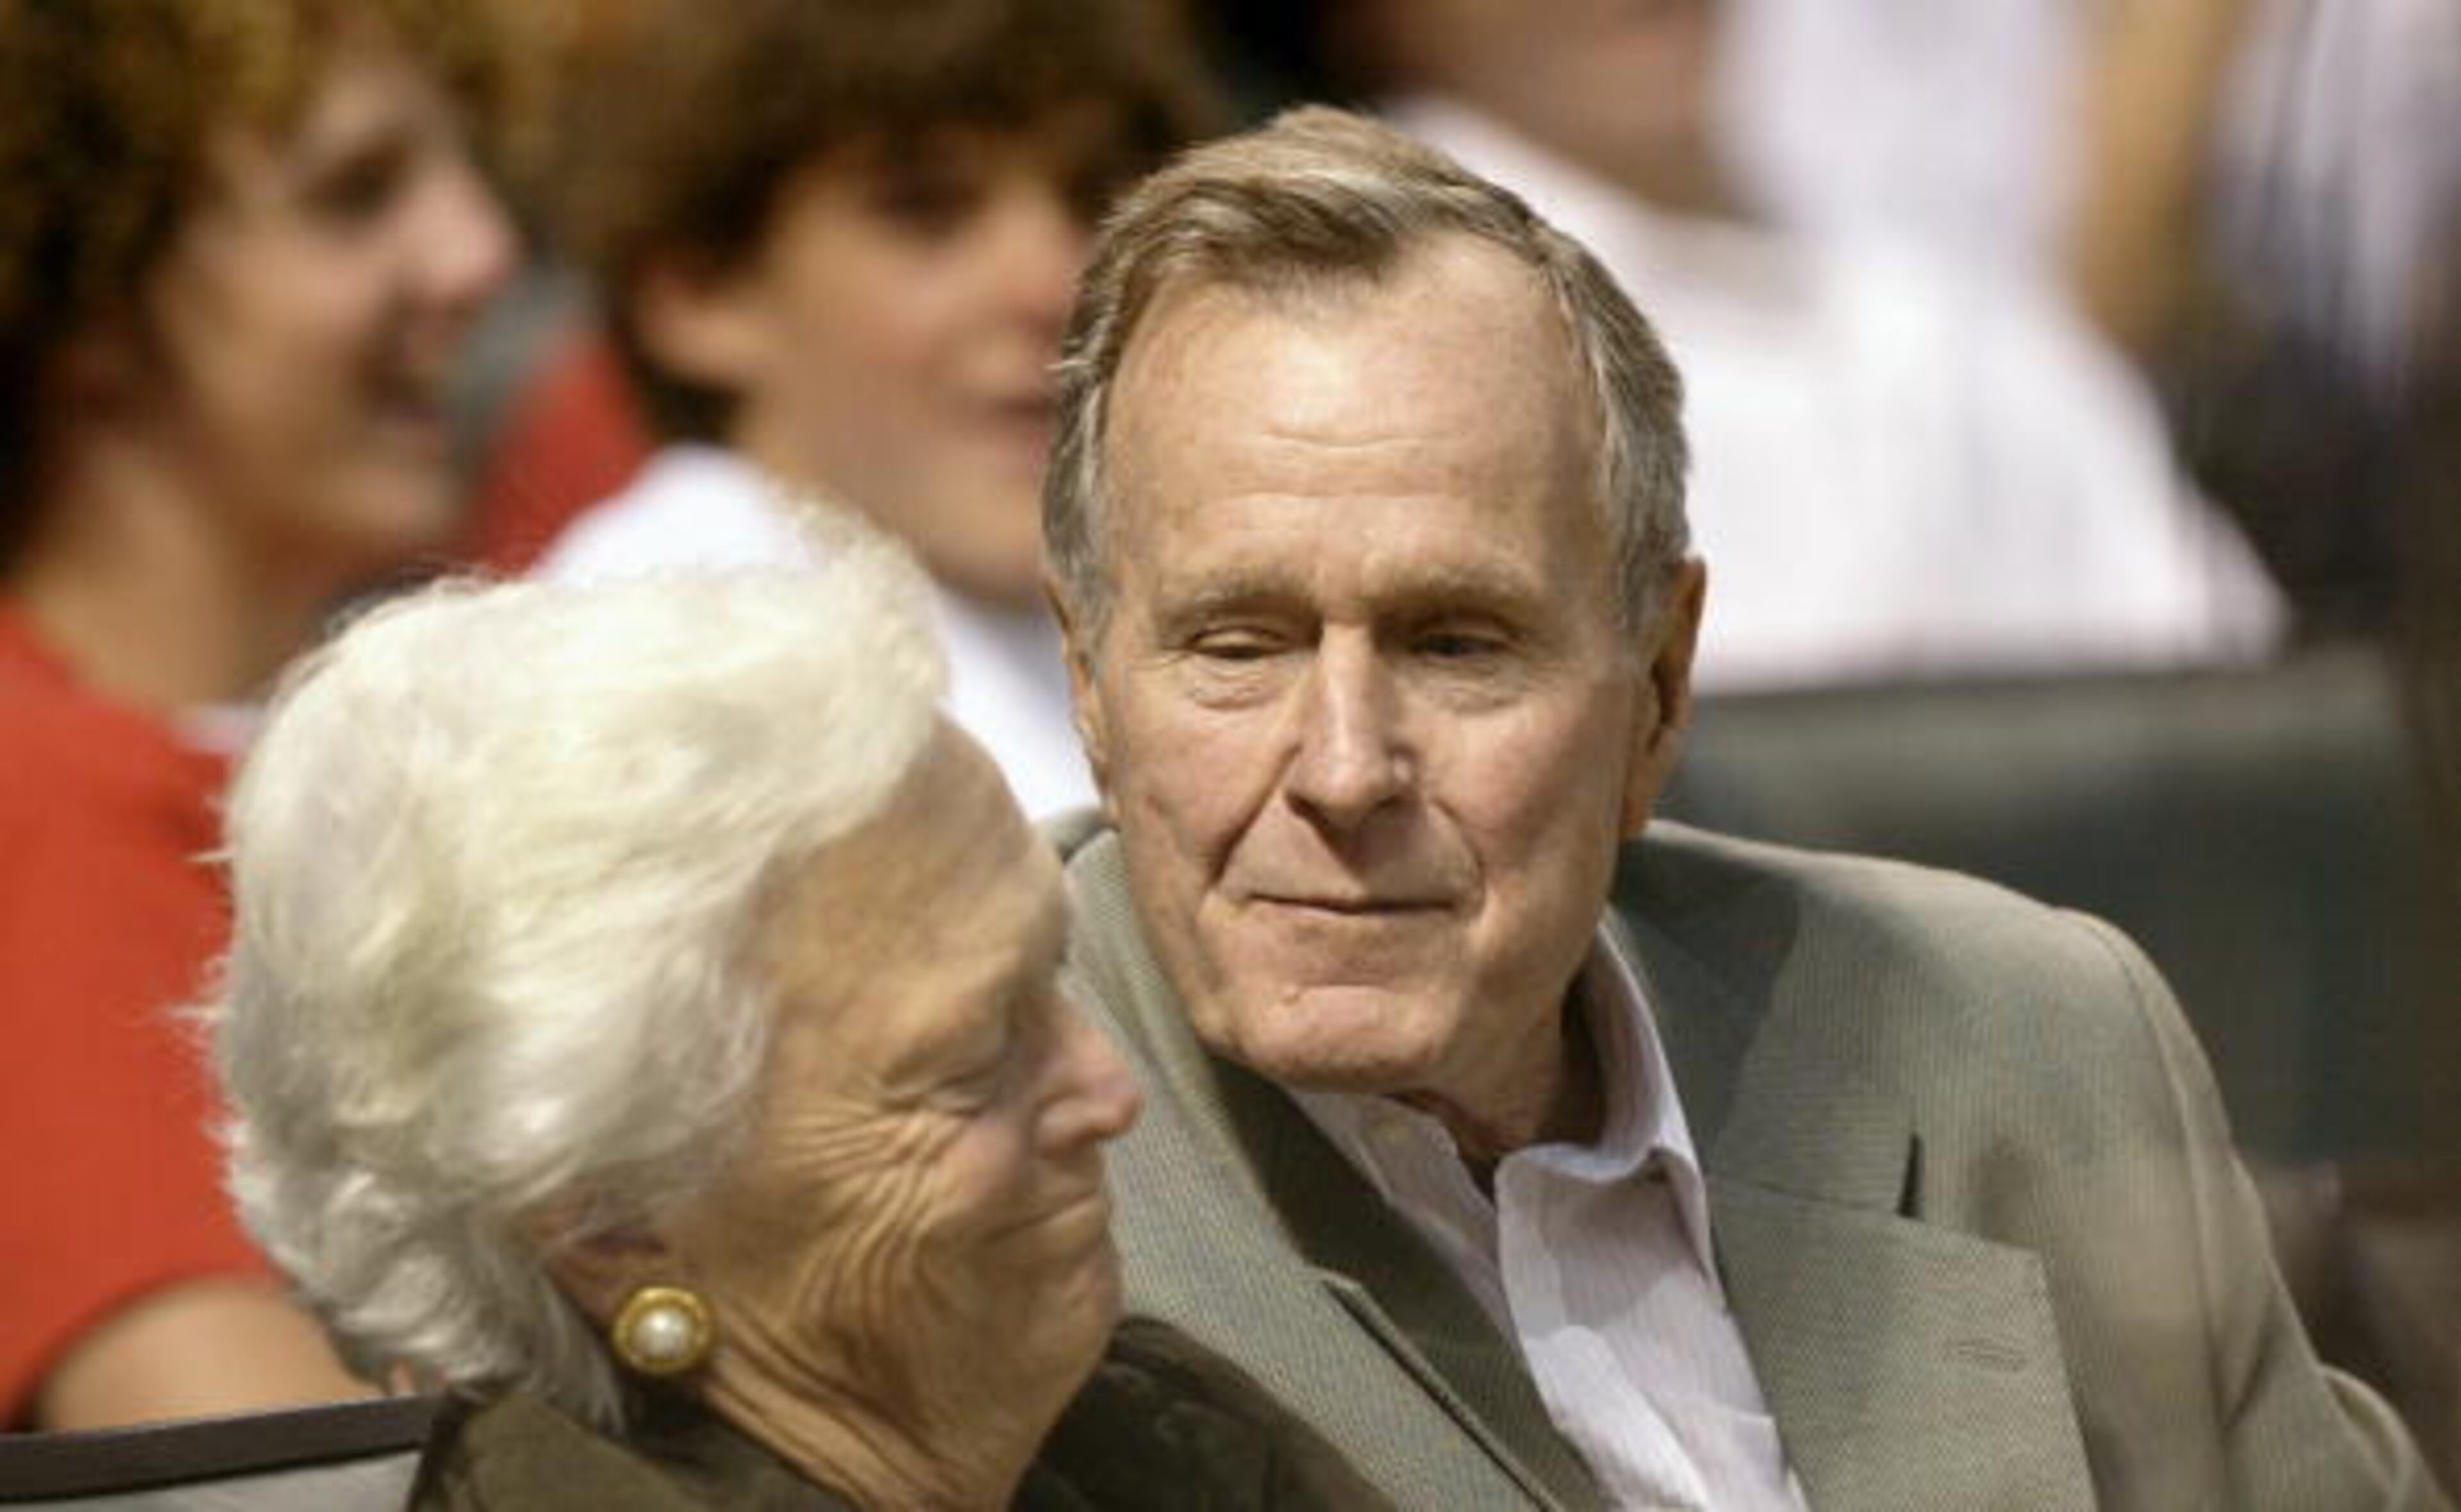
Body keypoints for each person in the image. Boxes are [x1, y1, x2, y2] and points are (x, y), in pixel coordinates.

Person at [1040, 106, 2451, 1509]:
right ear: (1090, 682)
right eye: (1239, 644)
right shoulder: (953, 1191)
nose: (1344, 768)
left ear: (1658, 681)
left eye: (1456, 642)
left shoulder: (2032, 1048)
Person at [205, 550, 1388, 1509]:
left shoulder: (1148, 1440)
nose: (1108, 1090)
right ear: (613, 1226)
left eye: (1052, 978)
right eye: (970, 1061)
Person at [0, 0, 520, 1428]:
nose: (480, 252)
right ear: (90, 285)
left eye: (461, 171)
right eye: (357, 196)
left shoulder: (258, 768)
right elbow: (258, 1467)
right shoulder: (42, 801)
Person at [529, 0, 1220, 817]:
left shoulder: (1121, 606)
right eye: (929, 211)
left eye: (1096, 200)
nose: (1055, 280)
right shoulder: (646, 656)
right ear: (700, 291)